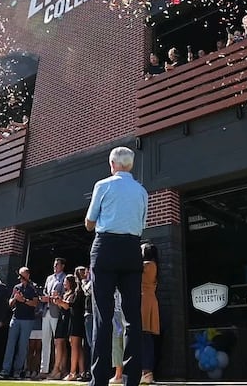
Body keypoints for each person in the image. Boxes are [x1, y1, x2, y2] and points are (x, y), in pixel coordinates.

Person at [85, 147, 149, 386]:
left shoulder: (103, 185)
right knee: (133, 317)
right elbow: (141, 224)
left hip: (106, 247)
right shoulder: (142, 191)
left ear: (112, 163)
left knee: (103, 315)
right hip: (133, 248)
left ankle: (98, 380)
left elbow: (90, 224)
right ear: (130, 165)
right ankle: (131, 380)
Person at [0, 267, 38, 380]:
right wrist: (15, 298)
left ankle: (17, 371)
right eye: (19, 276)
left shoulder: (33, 287)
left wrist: (23, 300)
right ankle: (5, 370)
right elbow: (10, 303)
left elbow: (35, 303)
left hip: (27, 320)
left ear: (28, 275)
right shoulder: (16, 287)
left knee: (22, 346)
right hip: (16, 318)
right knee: (10, 345)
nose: (20, 279)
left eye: (23, 276)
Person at [39, 257, 67, 379]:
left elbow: (64, 294)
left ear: (62, 266)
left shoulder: (65, 278)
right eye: (54, 265)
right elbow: (45, 292)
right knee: (45, 341)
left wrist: (52, 298)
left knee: (59, 342)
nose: (54, 267)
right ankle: (43, 369)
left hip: (57, 312)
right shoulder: (49, 278)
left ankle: (60, 368)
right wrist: (44, 298)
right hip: (46, 311)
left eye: (57, 265)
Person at [140, 243, 160, 385]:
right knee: (146, 336)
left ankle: (146, 371)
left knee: (144, 336)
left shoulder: (147, 265)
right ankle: (146, 371)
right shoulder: (154, 265)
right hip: (149, 299)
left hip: (144, 301)